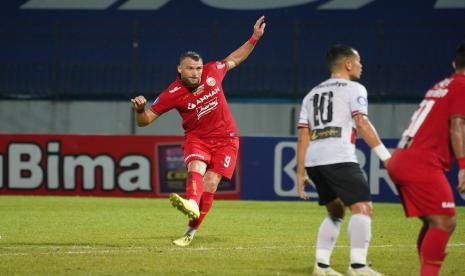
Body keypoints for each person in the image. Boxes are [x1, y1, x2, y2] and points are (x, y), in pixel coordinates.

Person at [130, 16, 266, 247]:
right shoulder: (171, 93)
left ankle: (189, 233)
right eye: (190, 68)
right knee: (197, 167)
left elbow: (234, 59)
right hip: (198, 139)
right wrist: (140, 110)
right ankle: (192, 202)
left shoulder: (213, 72)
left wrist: (254, 38)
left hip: (227, 138)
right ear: (179, 69)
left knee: (211, 183)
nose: (196, 72)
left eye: (198, 68)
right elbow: (146, 121)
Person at [296, 44, 391, 276]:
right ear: (348, 64)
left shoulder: (311, 94)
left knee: (336, 211)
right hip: (339, 156)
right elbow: (361, 122)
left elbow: (303, 135)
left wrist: (300, 173)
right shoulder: (354, 88)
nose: (361, 65)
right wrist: (386, 157)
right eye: (358, 61)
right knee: (363, 208)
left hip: (315, 161)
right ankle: (358, 266)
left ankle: (321, 265)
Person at [387, 41, 465, 276]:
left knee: (434, 222)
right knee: (445, 222)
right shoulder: (463, 86)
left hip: (403, 157)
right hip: (421, 162)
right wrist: (463, 167)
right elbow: (458, 125)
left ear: (454, 63)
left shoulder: (443, 84)